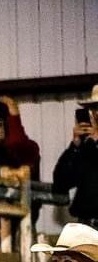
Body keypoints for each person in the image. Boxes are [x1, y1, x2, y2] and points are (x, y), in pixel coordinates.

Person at [53, 85, 98, 229]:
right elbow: (60, 183)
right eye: (94, 109)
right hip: (86, 226)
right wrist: (75, 145)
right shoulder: (87, 147)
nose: (96, 114)